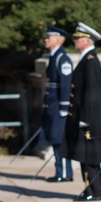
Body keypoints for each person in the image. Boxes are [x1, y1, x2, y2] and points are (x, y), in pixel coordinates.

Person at [65, 22, 101, 202]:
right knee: (85, 156)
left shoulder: (91, 62)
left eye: (78, 38)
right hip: (83, 117)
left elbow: (92, 93)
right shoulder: (85, 59)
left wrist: (86, 118)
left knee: (90, 157)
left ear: (87, 40)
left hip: (89, 119)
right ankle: (89, 188)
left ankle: (95, 191)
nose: (75, 41)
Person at [40, 25, 74, 182]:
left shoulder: (62, 57)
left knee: (60, 139)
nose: (46, 40)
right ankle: (59, 171)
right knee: (55, 138)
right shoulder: (54, 56)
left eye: (49, 37)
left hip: (59, 105)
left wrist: (64, 107)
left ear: (58, 39)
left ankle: (65, 173)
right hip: (52, 104)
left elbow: (66, 84)